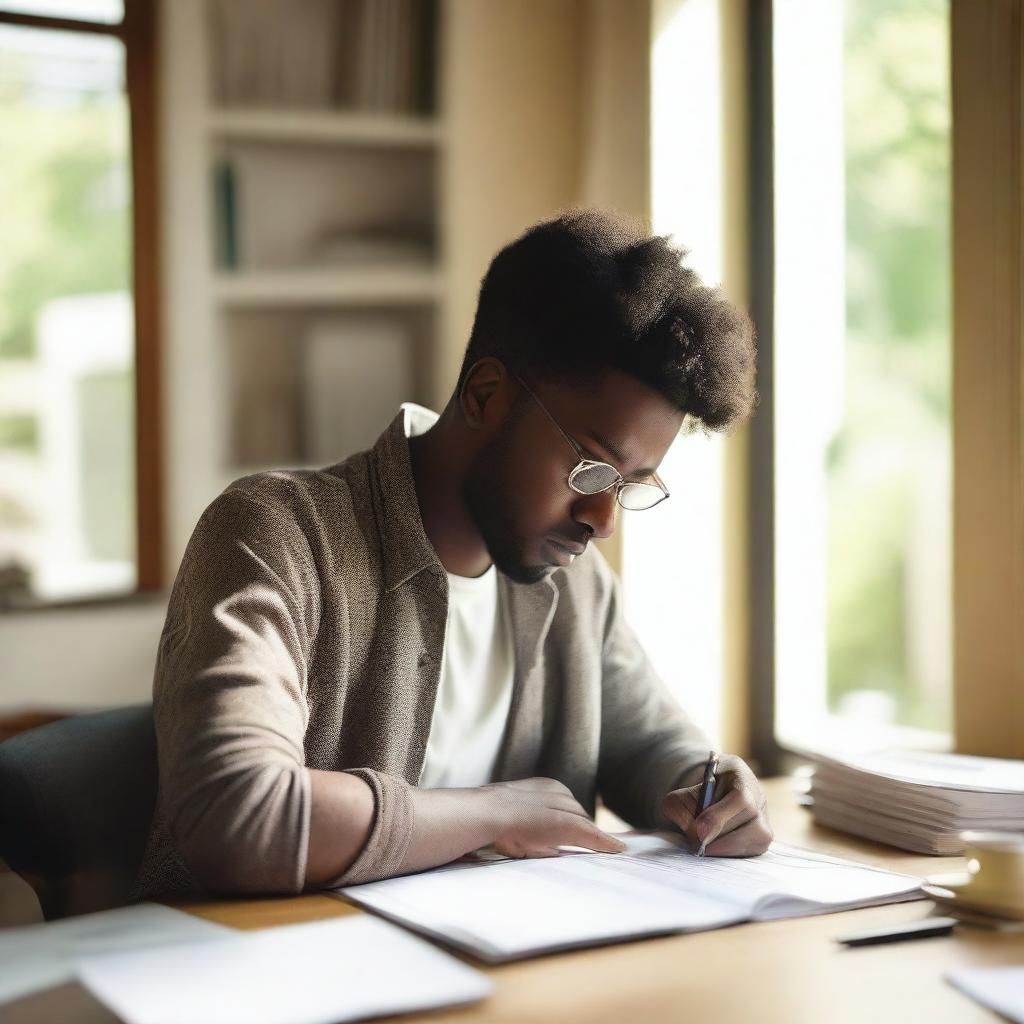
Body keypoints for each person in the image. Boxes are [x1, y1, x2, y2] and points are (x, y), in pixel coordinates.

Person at [131, 208, 770, 901]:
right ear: (486, 395)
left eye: (631, 486)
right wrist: (493, 814)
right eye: (590, 469)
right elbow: (236, 815)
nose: (603, 520)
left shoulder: (576, 585)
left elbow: (648, 742)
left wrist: (709, 787)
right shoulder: (276, 535)